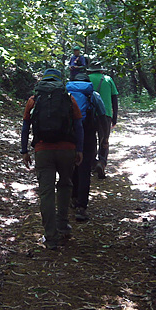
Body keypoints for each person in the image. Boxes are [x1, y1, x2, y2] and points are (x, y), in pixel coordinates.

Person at [21, 69, 84, 249]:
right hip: (67, 150)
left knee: (46, 192)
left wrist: (24, 150)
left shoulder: (34, 100)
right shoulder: (68, 98)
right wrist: (79, 149)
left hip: (43, 150)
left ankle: (50, 236)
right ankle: (63, 225)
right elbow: (79, 126)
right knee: (65, 185)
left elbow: (25, 127)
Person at [65, 73, 100, 222]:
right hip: (88, 135)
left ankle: (72, 198)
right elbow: (102, 115)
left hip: (69, 135)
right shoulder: (93, 95)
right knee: (85, 169)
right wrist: (103, 137)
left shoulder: (66, 95)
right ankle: (81, 207)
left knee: (72, 166)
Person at [88, 62, 119, 178]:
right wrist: (114, 117)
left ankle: (92, 164)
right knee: (104, 140)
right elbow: (114, 99)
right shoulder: (108, 79)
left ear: (90, 71)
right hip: (105, 114)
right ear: (101, 71)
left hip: (90, 114)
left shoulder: (86, 79)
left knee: (91, 140)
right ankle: (101, 162)